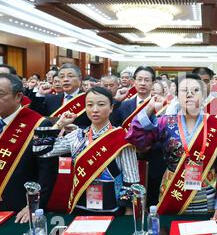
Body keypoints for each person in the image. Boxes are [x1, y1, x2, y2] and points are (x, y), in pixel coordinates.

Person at [126, 73, 217, 222]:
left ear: (204, 96)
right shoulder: (165, 122)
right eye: (184, 90)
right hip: (173, 191)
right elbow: (137, 140)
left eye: (195, 90)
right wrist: (149, 109)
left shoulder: (216, 127)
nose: (189, 94)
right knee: (172, 234)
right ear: (177, 96)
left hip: (207, 194)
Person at [33, 86, 139, 215]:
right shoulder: (77, 136)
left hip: (112, 209)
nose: (95, 110)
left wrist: (128, 213)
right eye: (89, 105)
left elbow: (131, 178)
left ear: (111, 108)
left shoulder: (122, 138)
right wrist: (59, 123)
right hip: (80, 205)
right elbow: (41, 150)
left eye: (101, 104)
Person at [0, 74, 57, 222]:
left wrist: (34, 205)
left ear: (18, 97)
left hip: (18, 210)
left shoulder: (41, 125)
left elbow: (48, 172)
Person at [30, 63, 91, 128]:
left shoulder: (88, 99)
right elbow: (35, 118)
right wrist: (40, 94)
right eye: (62, 77)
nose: (65, 79)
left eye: (70, 76)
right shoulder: (51, 99)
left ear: (80, 79)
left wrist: (78, 131)